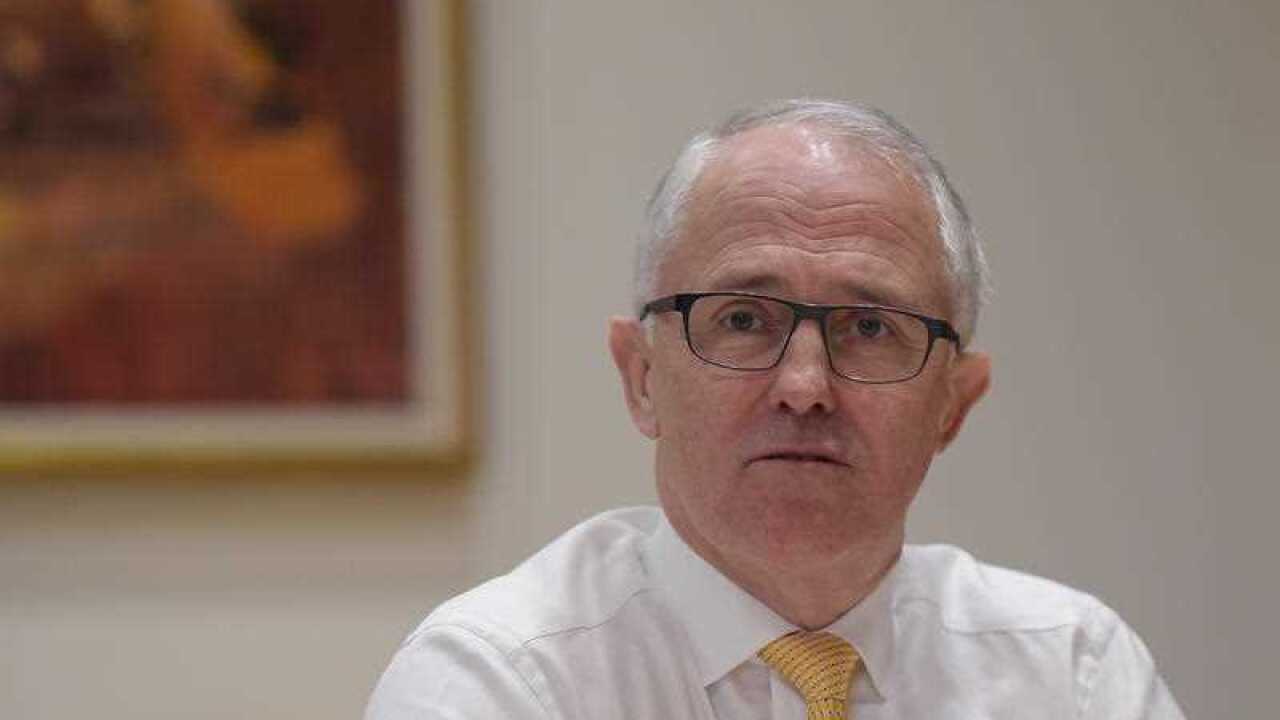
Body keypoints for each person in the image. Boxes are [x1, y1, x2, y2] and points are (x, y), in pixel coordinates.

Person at [365, 99, 1185, 719]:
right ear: (641, 377)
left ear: (954, 403)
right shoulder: (500, 681)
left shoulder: (1073, 675)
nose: (804, 385)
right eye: (743, 320)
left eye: (870, 327)